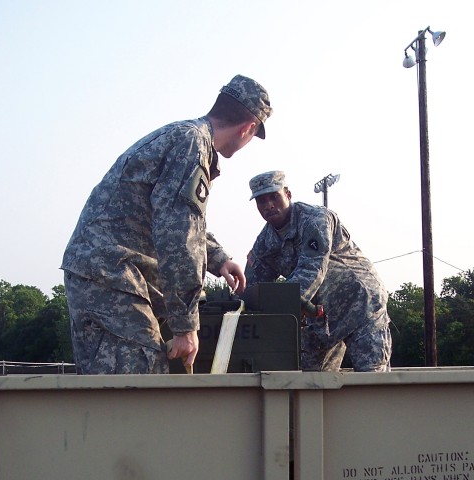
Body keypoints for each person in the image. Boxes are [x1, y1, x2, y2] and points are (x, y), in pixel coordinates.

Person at [61, 75, 273, 374]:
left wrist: (219, 258)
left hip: (109, 270)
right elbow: (179, 238)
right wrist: (186, 326)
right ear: (249, 127)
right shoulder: (191, 145)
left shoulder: (183, 136)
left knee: (138, 381)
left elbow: (172, 215)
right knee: (139, 380)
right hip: (111, 273)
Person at [244, 171, 392, 372]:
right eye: (261, 201)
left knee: (373, 380)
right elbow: (252, 288)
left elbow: (311, 271)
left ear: (288, 194)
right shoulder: (265, 242)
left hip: (360, 306)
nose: (268, 205)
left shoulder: (315, 219)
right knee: (308, 383)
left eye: (274, 197)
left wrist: (280, 309)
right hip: (321, 319)